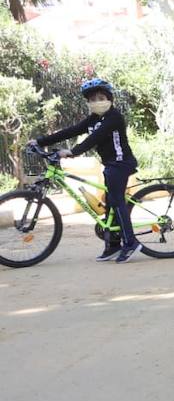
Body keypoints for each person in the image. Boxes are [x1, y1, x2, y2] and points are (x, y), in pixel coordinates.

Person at [34, 77, 140, 262]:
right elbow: (71, 131)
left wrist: (72, 151)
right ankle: (113, 245)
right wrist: (40, 141)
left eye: (101, 97)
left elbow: (95, 138)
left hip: (121, 163)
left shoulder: (114, 117)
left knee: (117, 200)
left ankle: (131, 243)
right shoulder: (93, 119)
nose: (97, 102)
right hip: (110, 165)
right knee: (110, 203)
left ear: (109, 98)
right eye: (92, 99)